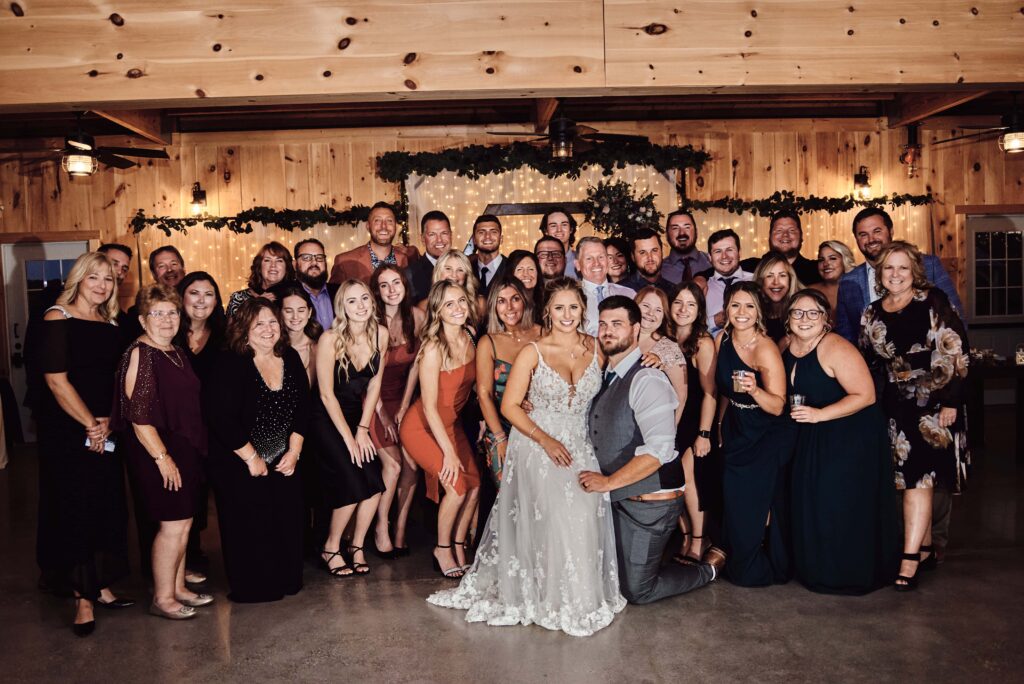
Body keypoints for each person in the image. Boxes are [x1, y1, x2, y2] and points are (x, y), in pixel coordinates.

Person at [427, 278, 625, 636]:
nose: (567, 315)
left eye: (574, 308)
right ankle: (544, 593)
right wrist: (545, 440)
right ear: (547, 310)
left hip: (580, 445)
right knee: (551, 518)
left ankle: (578, 593)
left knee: (582, 517)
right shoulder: (533, 350)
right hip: (536, 445)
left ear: (584, 309)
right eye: (559, 308)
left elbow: (622, 373)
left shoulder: (597, 348)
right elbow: (509, 405)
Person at [580, 294, 717, 605]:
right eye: (602, 325)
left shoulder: (648, 379)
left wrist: (608, 483)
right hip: (615, 499)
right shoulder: (604, 376)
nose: (608, 331)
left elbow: (659, 450)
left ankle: (707, 570)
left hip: (648, 504)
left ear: (636, 329)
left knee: (636, 590)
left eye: (617, 324)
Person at [859, 241, 969, 591]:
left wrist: (951, 401)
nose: (895, 274)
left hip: (933, 403)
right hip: (893, 405)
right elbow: (869, 361)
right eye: (888, 268)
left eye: (902, 268)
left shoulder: (932, 301)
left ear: (914, 271)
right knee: (903, 480)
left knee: (917, 481)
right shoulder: (872, 312)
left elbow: (956, 349)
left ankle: (908, 560)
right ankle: (922, 548)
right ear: (880, 273)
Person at [37, 252, 131, 637]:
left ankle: (101, 585)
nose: (102, 285)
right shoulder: (58, 317)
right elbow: (57, 381)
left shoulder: (110, 321)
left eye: (108, 279)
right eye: (94, 278)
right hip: (70, 430)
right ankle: (83, 599)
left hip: (106, 427)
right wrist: (90, 425)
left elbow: (117, 377)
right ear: (78, 278)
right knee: (77, 509)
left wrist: (109, 420)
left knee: (106, 506)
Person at [782, 289, 899, 594]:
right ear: (788, 317)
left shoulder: (835, 347)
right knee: (814, 501)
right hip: (812, 433)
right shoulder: (786, 345)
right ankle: (817, 567)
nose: (804, 319)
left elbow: (866, 396)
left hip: (849, 434)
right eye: (797, 312)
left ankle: (847, 572)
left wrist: (821, 414)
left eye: (813, 313)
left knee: (838, 501)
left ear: (826, 320)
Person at [112, 284, 212, 619]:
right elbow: (138, 417)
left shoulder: (174, 350)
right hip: (158, 452)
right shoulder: (143, 353)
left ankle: (179, 587)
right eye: (158, 313)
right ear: (143, 320)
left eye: (172, 312)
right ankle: (163, 598)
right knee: (171, 525)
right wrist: (163, 458)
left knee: (183, 523)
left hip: (183, 448)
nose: (167, 319)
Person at [207, 298, 310, 602]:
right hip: (237, 459)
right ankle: (254, 586)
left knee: (287, 519)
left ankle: (287, 579)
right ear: (244, 329)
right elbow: (219, 417)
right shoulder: (230, 362)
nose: (268, 329)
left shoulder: (289, 357)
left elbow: (303, 408)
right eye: (259, 324)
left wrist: (294, 452)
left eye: (272, 323)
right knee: (250, 524)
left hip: (284, 456)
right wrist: (251, 457)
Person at [714, 281, 794, 587]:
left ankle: (764, 566)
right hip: (736, 427)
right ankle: (744, 556)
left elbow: (777, 406)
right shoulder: (724, 338)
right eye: (735, 305)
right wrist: (721, 423)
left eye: (749, 306)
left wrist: (754, 389)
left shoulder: (765, 348)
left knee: (755, 503)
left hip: (765, 433)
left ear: (758, 310)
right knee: (735, 502)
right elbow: (723, 390)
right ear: (727, 309)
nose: (742, 312)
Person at [400, 281, 481, 579]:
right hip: (422, 426)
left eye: (461, 301)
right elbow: (431, 407)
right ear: (437, 310)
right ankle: (442, 548)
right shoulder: (433, 348)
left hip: (451, 423)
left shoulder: (471, 336)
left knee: (474, 486)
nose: (458, 308)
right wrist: (448, 452)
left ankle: (459, 544)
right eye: (449, 304)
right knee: (456, 488)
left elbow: (472, 389)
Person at [310, 280, 388, 577]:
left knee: (375, 487)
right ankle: (330, 546)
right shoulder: (329, 339)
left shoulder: (380, 334)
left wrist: (363, 429)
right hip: (327, 418)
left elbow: (376, 383)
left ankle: (355, 545)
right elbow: (326, 395)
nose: (361, 306)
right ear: (342, 306)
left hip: (357, 417)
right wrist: (349, 438)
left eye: (365, 298)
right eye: (353, 301)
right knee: (353, 484)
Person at [835, 207, 964, 344]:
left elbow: (957, 320)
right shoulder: (847, 282)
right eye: (863, 234)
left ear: (891, 231)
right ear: (856, 239)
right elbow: (846, 337)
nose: (871, 239)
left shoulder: (929, 265)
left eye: (877, 231)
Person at [173, 271, 226, 580]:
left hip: (215, 427)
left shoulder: (224, 335)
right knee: (183, 493)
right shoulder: (168, 332)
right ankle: (182, 558)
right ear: (182, 297)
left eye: (208, 294)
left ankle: (196, 551)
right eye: (194, 293)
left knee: (209, 489)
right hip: (180, 428)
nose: (201, 300)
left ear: (216, 300)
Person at [369, 265, 424, 557]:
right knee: (392, 466)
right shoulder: (370, 320)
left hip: (403, 398)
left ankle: (400, 528)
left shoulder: (417, 317)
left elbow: (417, 365)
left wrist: (403, 407)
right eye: (384, 285)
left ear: (404, 285)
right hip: (371, 402)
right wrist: (383, 413)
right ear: (376, 291)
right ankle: (380, 526)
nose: (391, 290)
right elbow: (368, 376)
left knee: (412, 465)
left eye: (396, 283)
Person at [668, 283, 722, 567]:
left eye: (690, 304)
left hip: (694, 419)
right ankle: (686, 534)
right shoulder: (663, 338)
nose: (683, 309)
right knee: (669, 479)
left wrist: (703, 434)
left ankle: (701, 540)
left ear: (700, 309)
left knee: (687, 478)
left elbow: (711, 392)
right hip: (668, 417)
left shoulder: (702, 342)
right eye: (678, 302)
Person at [476, 275, 541, 487]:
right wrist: (500, 437)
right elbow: (484, 394)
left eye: (515, 299)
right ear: (494, 306)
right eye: (501, 301)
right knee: (508, 497)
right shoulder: (489, 342)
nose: (509, 307)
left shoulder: (543, 333)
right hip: (502, 427)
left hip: (540, 424)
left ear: (524, 301)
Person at [330, 201, 421, 284]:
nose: (384, 226)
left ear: (395, 226)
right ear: (368, 226)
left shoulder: (409, 257)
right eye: (377, 221)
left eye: (389, 221)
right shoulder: (344, 262)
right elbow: (335, 299)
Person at [635, 286, 688, 422]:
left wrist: (669, 434)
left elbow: (681, 397)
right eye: (646, 306)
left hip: (652, 424)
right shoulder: (621, 338)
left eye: (658, 310)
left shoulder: (669, 348)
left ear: (664, 316)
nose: (650, 313)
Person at [740, 210, 822, 285]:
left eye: (791, 230)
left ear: (801, 236)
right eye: (779, 230)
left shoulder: (817, 270)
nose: (785, 234)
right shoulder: (748, 268)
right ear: (770, 236)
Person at [124, 245, 187, 341]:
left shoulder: (196, 305)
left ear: (183, 268)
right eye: (161, 266)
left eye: (174, 264)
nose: (169, 269)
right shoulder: (137, 312)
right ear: (154, 275)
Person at [576, 237, 635, 336]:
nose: (596, 263)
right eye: (589, 258)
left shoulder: (629, 295)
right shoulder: (571, 298)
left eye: (601, 257)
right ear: (577, 265)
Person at [704, 229, 754, 335]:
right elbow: (691, 326)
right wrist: (714, 321)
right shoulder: (703, 288)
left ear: (739, 252)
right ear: (709, 257)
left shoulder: (756, 281)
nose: (724, 256)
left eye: (729, 250)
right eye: (718, 251)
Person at [227, 241, 294, 316]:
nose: (273, 265)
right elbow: (232, 327)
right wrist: (257, 304)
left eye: (279, 261)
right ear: (259, 266)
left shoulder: (295, 296)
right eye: (267, 260)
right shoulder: (239, 297)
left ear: (287, 268)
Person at [416, 249, 486, 319]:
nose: (454, 275)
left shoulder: (479, 304)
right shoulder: (424, 307)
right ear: (438, 271)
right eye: (448, 269)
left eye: (460, 270)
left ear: (466, 275)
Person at [277, 283, 323, 385]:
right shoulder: (273, 347)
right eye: (289, 311)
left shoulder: (318, 347)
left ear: (309, 312)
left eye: (301, 310)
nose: (295, 317)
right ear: (280, 313)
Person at [753, 251, 801, 344]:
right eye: (769, 276)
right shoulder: (754, 312)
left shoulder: (802, 310)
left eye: (782, 275)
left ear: (790, 279)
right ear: (761, 281)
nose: (776, 282)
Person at [407, 210, 453, 304]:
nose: (439, 240)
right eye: (432, 234)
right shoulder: (410, 274)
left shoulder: (463, 268)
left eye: (444, 233)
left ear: (451, 235)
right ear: (423, 239)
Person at [293, 238, 338, 332]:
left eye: (319, 257)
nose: (314, 262)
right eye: (306, 258)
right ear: (295, 264)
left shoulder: (340, 292)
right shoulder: (287, 295)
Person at [809, 240, 856, 326]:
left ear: (845, 260)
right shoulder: (809, 292)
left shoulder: (857, 289)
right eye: (821, 260)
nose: (826, 264)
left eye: (832, 258)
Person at [662, 210, 711, 284]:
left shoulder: (712, 263)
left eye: (687, 227)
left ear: (696, 232)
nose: (682, 233)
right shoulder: (659, 270)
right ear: (667, 235)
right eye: (675, 228)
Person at [620, 229, 675, 295]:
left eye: (654, 250)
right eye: (642, 252)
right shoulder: (620, 290)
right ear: (633, 257)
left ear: (661, 252)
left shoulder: (674, 291)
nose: (650, 257)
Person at [469, 214, 508, 295]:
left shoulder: (512, 267)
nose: (487, 236)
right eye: (481, 232)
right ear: (474, 240)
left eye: (493, 232)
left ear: (501, 239)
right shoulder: (466, 269)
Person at [506, 249, 544, 322]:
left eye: (531, 269)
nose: (526, 274)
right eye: (520, 269)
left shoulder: (546, 302)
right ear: (510, 273)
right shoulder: (506, 305)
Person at [539, 208, 578, 278]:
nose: (559, 230)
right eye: (553, 226)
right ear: (546, 231)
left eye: (564, 225)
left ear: (571, 229)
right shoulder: (537, 262)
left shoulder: (581, 259)